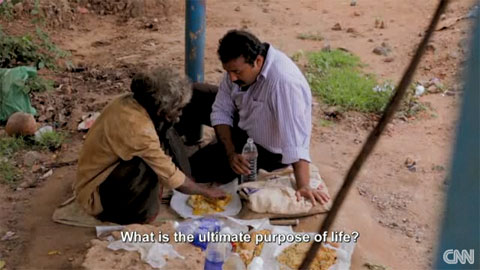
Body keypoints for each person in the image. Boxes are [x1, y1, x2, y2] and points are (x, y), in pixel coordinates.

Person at [176, 30, 330, 206]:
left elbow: (295, 140)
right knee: (192, 93)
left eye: (237, 72)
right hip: (244, 122)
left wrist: (303, 185)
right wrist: (230, 151)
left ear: (258, 61)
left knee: (191, 170)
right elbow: (220, 110)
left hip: (265, 150)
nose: (232, 78)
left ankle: (204, 157)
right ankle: (167, 143)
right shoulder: (238, 71)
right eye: (228, 72)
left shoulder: (283, 83)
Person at [74, 67, 225, 225]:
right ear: (161, 109)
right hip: (95, 195)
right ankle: (135, 215)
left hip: (103, 171)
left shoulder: (131, 103)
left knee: (167, 131)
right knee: (149, 165)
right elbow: (170, 174)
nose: (180, 114)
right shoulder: (139, 130)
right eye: (178, 109)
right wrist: (205, 192)